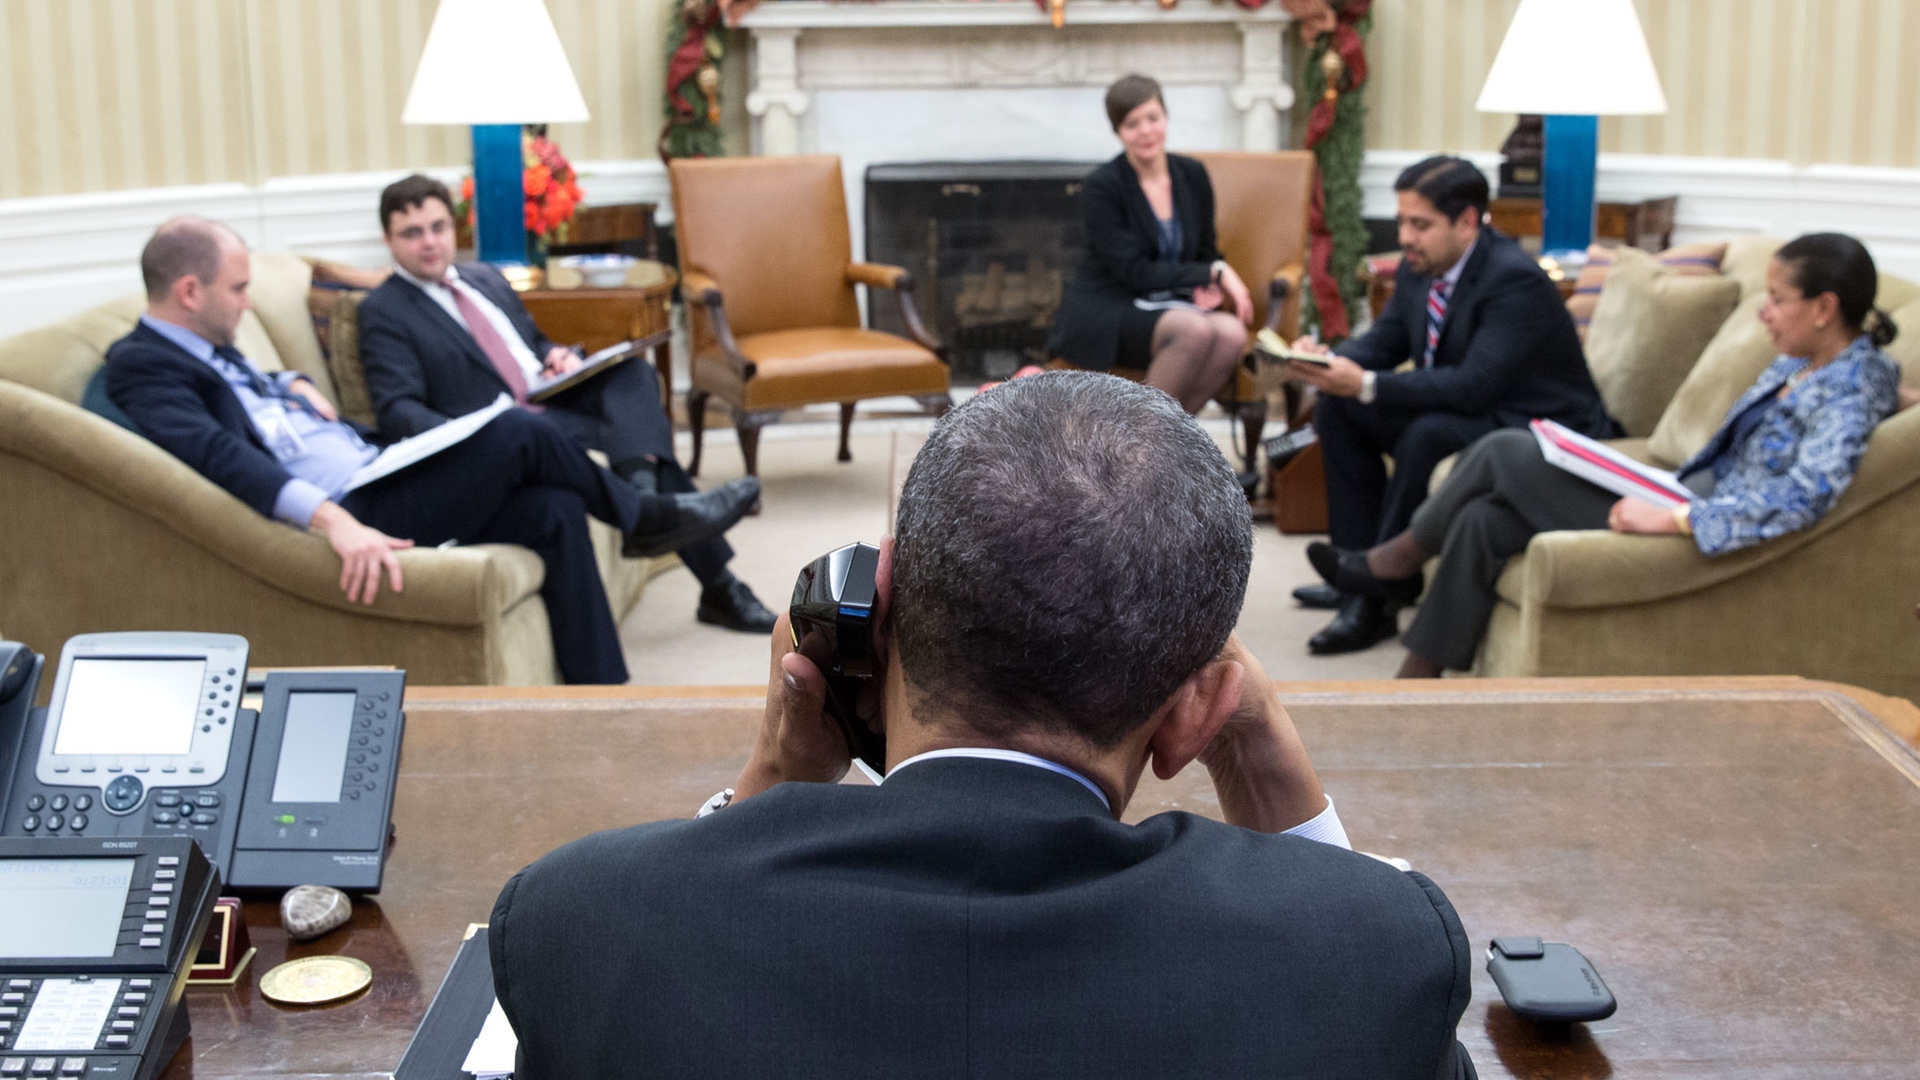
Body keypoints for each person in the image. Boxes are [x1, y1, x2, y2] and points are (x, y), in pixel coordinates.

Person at [489, 372, 1478, 1079]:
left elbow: (678, 925)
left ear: (869, 625)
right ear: (1196, 712)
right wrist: (1258, 746)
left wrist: (777, 773)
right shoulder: (1382, 954)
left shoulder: (577, 926)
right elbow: (1369, 984)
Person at [106, 217, 759, 685]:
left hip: (373, 468)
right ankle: (644, 520)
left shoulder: (203, 346)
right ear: (190, 292)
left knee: (555, 505)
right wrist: (334, 522)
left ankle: (602, 696)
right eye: (238, 289)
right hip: (353, 506)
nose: (246, 305)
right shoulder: (143, 365)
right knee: (521, 430)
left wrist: (287, 380)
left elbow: (247, 401)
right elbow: (220, 454)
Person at [1309, 233, 1903, 678]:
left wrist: (1674, 518)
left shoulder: (1848, 388)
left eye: (1776, 299)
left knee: (1505, 451)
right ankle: (1417, 682)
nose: (1763, 312)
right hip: (1679, 487)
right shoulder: (1817, 366)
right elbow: (1880, 389)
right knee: (1484, 520)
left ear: (1824, 308)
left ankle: (1392, 563)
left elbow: (1805, 495)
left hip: (1697, 521)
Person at [357, 174, 776, 633]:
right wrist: (476, 440)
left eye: (438, 227)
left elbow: (532, 341)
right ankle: (719, 585)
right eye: (412, 233)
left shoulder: (485, 278)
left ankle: (642, 501)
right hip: (504, 430)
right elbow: (398, 408)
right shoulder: (384, 309)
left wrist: (557, 356)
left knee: (634, 372)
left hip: (549, 396)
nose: (430, 242)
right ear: (388, 239)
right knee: (642, 446)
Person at [1282, 155, 1615, 656]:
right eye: (1401, 222)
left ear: (1467, 221)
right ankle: (1355, 570)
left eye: (1420, 224)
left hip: (1534, 424)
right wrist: (1328, 362)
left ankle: (1377, 599)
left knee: (1426, 433)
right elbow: (1384, 344)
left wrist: (1367, 383)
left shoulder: (1513, 279)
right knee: (1340, 408)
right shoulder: (1422, 266)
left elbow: (1474, 384)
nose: (1406, 236)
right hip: (1474, 408)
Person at [1046, 73, 1254, 415]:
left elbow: (1205, 251)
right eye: (1132, 124)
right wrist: (1215, 272)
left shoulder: (1193, 175)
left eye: (1153, 118)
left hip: (1170, 304)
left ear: (1166, 118)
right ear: (1118, 132)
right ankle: (1139, 446)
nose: (1146, 131)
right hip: (1111, 307)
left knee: (1231, 334)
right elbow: (1135, 273)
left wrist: (1207, 285)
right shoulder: (1103, 186)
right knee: (1193, 331)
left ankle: (1166, 446)